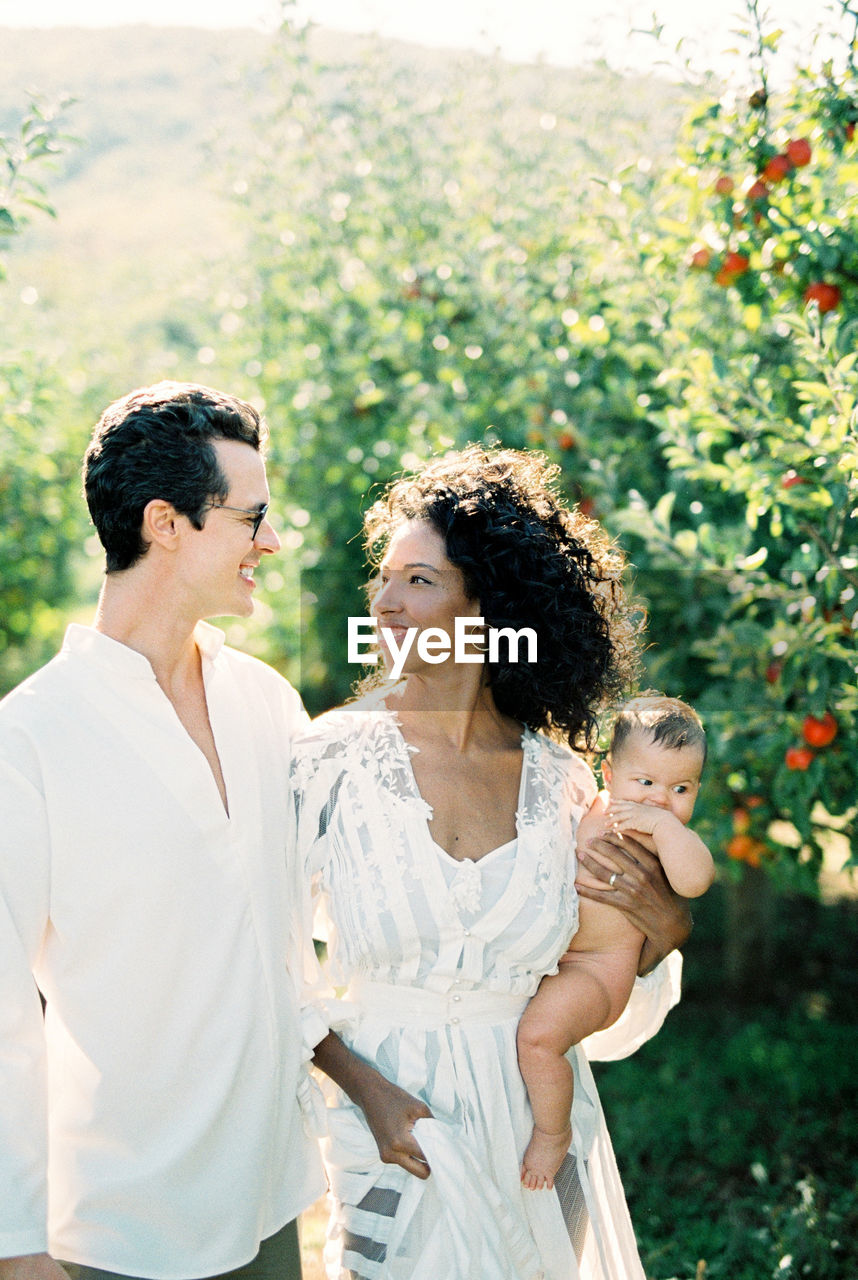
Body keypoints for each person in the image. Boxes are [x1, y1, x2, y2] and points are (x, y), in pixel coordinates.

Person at [294, 446, 693, 1280]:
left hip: (538, 1148)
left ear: (491, 609)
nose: (384, 600)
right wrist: (365, 1091)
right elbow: (264, 965)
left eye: (419, 581)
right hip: (391, 1141)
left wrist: (657, 938)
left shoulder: (563, 786)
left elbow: (604, 1010)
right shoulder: (327, 761)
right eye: (386, 576)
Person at [0, 383, 325, 1280]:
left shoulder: (268, 702)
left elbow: (338, 901)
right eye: (253, 516)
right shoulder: (28, 741)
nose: (272, 540)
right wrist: (14, 1244)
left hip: (270, 1204)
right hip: (115, 1232)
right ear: (165, 523)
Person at [517, 694, 715, 1190]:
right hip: (554, 958)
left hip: (597, 971)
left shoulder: (664, 833)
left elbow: (695, 881)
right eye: (644, 781)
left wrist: (666, 829)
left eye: (680, 788)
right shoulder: (592, 803)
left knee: (538, 1040)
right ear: (608, 772)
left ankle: (551, 1131)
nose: (658, 798)